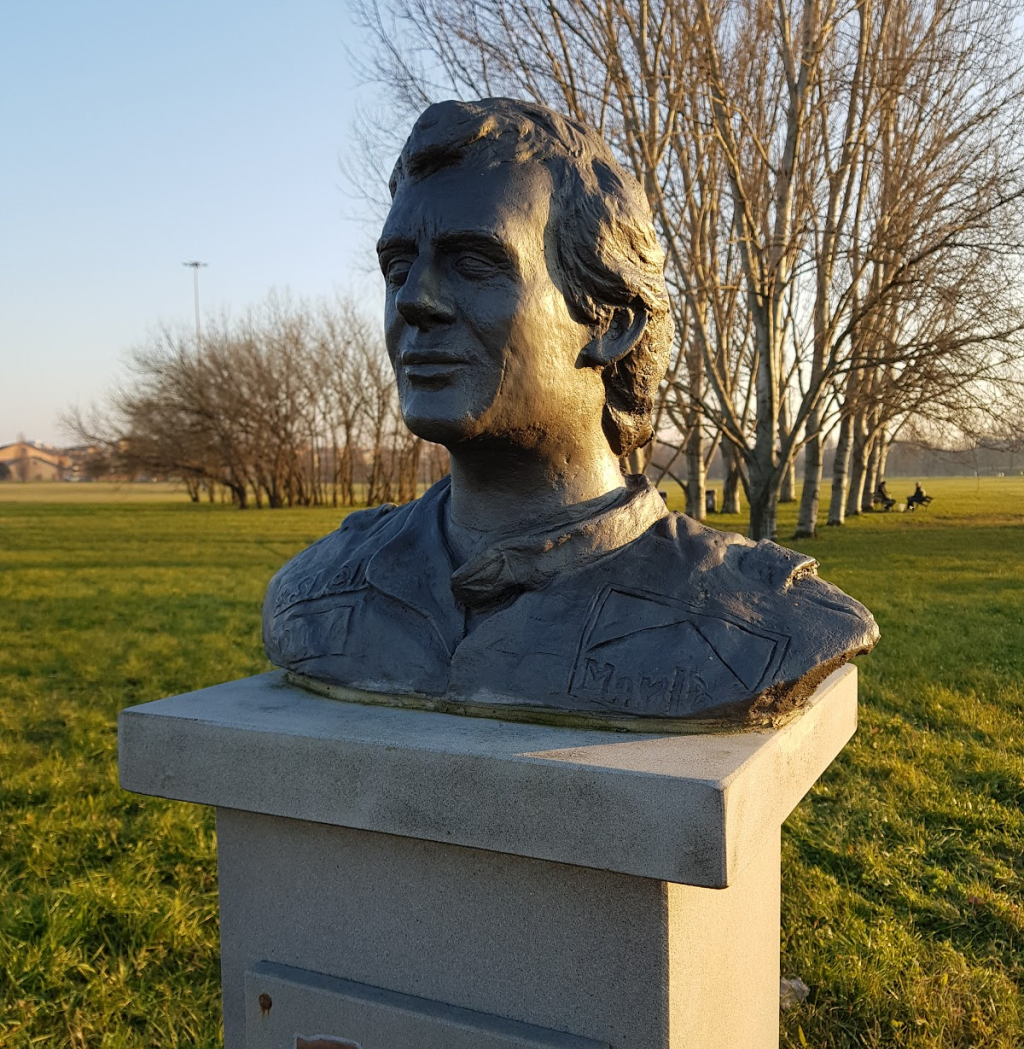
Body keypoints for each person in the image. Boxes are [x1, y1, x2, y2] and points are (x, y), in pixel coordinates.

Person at [263, 99, 878, 728]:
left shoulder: (766, 622)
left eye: (475, 263)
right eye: (398, 267)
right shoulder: (316, 590)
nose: (414, 300)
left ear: (611, 321)